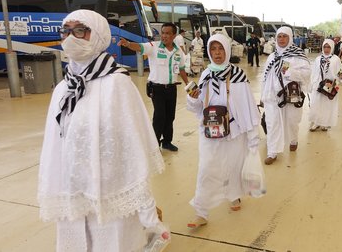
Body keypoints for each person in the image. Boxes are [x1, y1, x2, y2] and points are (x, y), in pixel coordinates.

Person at [38, 9, 170, 252]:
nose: (70, 38)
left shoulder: (117, 84)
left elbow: (133, 151)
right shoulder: (63, 89)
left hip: (110, 196)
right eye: (65, 32)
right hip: (74, 194)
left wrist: (146, 210)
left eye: (79, 31)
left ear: (98, 35)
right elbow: (54, 149)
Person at [185, 33, 261, 228]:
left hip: (233, 131)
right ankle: (201, 211)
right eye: (213, 49)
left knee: (234, 166)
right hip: (210, 131)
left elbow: (247, 107)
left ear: (226, 50)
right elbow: (198, 106)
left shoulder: (238, 75)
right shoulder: (205, 74)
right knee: (206, 168)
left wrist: (253, 137)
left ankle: (234, 195)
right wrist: (193, 98)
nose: (217, 53)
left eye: (220, 49)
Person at [119, 23, 189, 151]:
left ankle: (167, 142)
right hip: (157, 89)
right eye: (163, 33)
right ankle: (154, 144)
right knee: (159, 116)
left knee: (170, 116)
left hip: (172, 88)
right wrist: (128, 44)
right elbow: (140, 47)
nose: (164, 36)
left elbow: (182, 69)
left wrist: (189, 86)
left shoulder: (178, 52)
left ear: (174, 35)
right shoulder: (154, 47)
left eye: (168, 33)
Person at [261, 26, 311, 164]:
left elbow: (306, 74)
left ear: (290, 38)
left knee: (292, 121)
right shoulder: (272, 56)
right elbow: (265, 77)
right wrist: (262, 96)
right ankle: (273, 152)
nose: (281, 39)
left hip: (290, 95)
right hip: (272, 96)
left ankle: (293, 139)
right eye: (279, 36)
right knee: (272, 123)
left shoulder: (298, 55)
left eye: (285, 36)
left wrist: (288, 70)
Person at [308, 39, 342, 132]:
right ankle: (316, 123)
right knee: (316, 103)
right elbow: (314, 72)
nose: (326, 49)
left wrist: (338, 79)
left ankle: (324, 123)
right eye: (325, 46)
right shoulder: (318, 59)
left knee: (327, 105)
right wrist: (311, 83)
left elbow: (341, 71)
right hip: (318, 84)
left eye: (328, 47)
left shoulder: (335, 59)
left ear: (332, 47)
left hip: (330, 85)